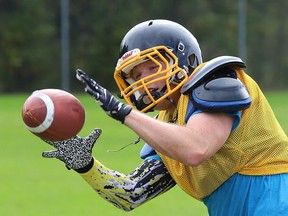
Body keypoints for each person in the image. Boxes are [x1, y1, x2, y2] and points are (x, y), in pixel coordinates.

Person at [42, 19, 288, 215]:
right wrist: (85, 164)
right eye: (136, 76)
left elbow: (196, 147)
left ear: (182, 59)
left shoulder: (216, 79)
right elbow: (131, 194)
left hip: (277, 200)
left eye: (152, 67)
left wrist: (124, 114)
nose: (144, 80)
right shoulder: (167, 123)